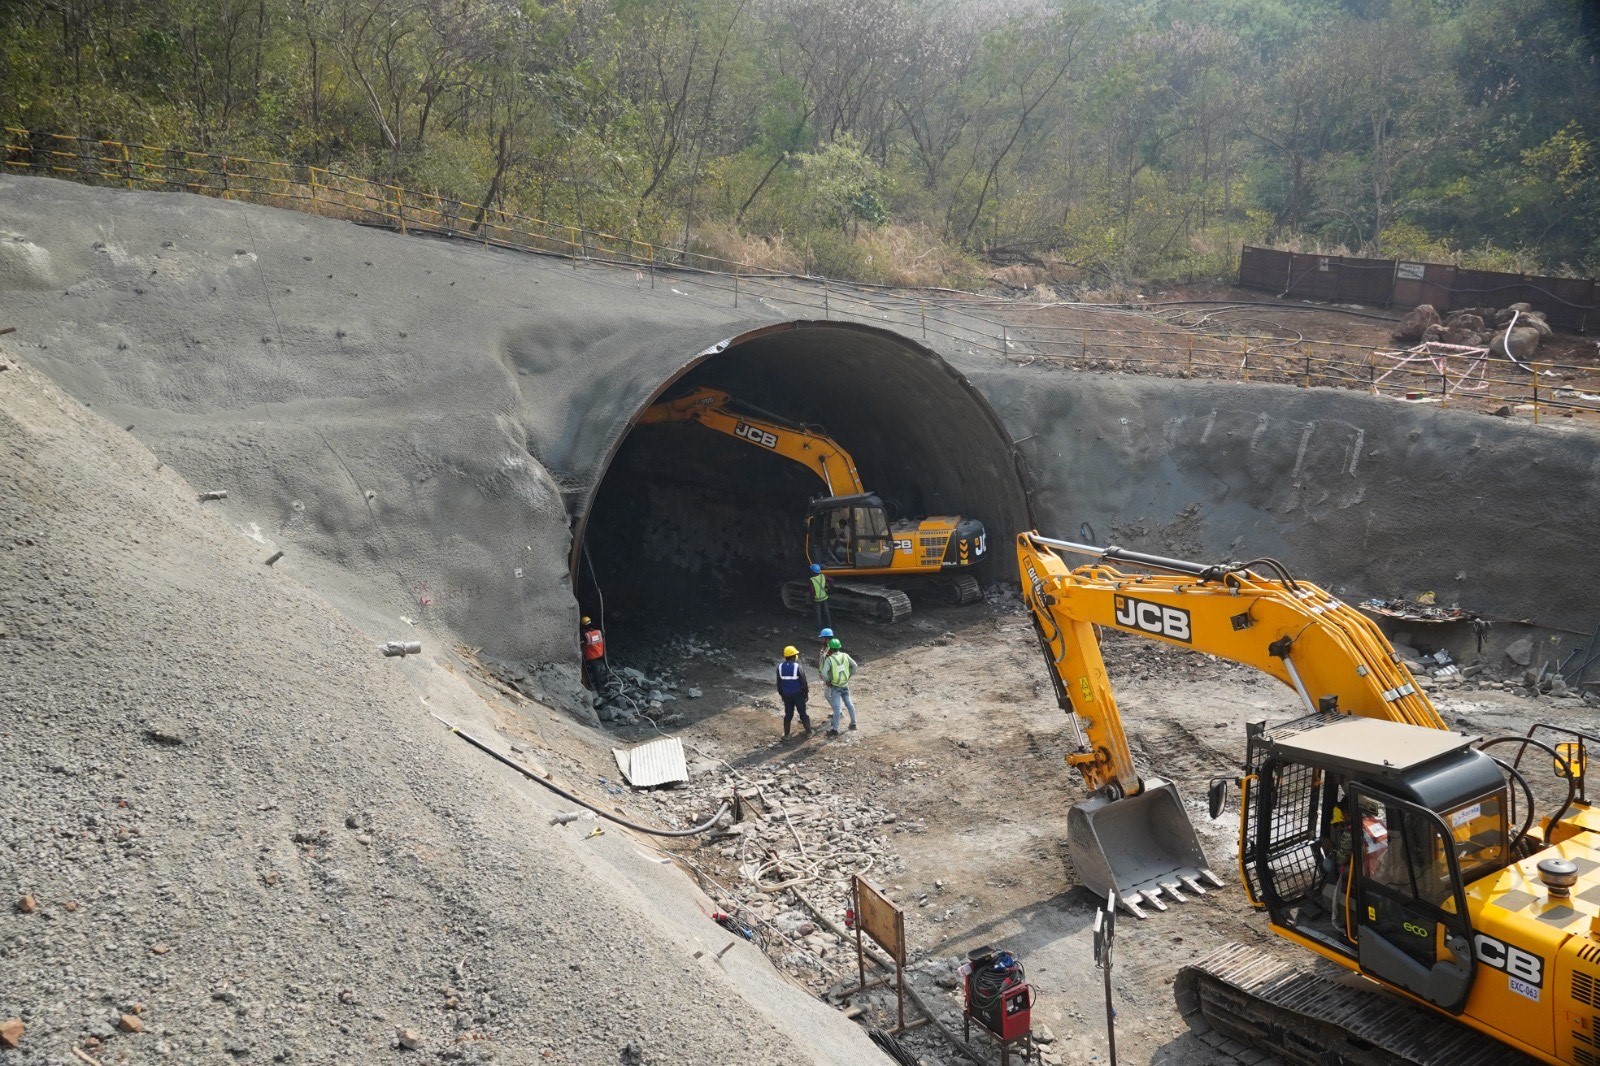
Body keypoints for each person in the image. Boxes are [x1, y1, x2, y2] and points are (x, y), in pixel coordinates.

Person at [820, 637, 859, 737]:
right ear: (839, 647)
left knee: (837, 708)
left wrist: (828, 681)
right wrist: (849, 675)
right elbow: (854, 666)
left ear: (831, 649)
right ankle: (853, 723)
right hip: (845, 685)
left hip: (835, 687)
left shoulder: (829, 659)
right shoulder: (845, 655)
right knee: (849, 704)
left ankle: (835, 729)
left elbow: (824, 673)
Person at [775, 645, 812, 742]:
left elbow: (779, 684)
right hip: (798, 695)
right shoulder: (797, 667)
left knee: (788, 714)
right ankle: (809, 733)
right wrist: (806, 694)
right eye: (796, 654)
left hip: (786, 695)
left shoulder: (779, 667)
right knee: (803, 713)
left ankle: (786, 735)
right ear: (793, 656)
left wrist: (782, 695)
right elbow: (804, 682)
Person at [580, 615, 608, 691]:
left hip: (592, 657)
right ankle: (606, 682)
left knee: (596, 674)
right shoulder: (599, 632)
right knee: (603, 669)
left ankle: (599, 689)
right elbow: (603, 635)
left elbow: (582, 642)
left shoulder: (586, 635)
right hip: (601, 654)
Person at [808, 563, 833, 629]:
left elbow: (811, 591)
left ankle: (818, 628)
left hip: (817, 599)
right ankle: (829, 626)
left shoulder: (812, 580)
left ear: (812, 572)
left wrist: (811, 599)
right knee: (826, 612)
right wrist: (827, 588)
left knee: (818, 613)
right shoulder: (823, 576)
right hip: (824, 597)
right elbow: (831, 581)